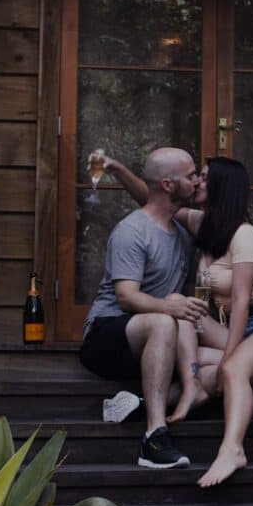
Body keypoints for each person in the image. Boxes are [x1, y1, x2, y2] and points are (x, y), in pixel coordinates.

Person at [105, 154, 253, 488]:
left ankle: (232, 450)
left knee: (230, 370)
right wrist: (118, 170)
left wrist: (229, 358)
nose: (197, 181)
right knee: (183, 312)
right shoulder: (203, 225)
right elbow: (149, 198)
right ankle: (177, 392)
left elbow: (240, 302)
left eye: (205, 177)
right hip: (229, 329)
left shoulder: (245, 235)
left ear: (222, 187)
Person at [79, 147, 203, 470]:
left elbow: (149, 195)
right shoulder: (132, 231)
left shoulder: (182, 232)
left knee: (221, 370)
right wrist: (169, 307)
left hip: (154, 343)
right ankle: (154, 438)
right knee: (164, 323)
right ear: (167, 184)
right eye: (190, 176)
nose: (196, 181)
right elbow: (126, 297)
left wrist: (118, 168)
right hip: (106, 336)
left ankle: (137, 405)